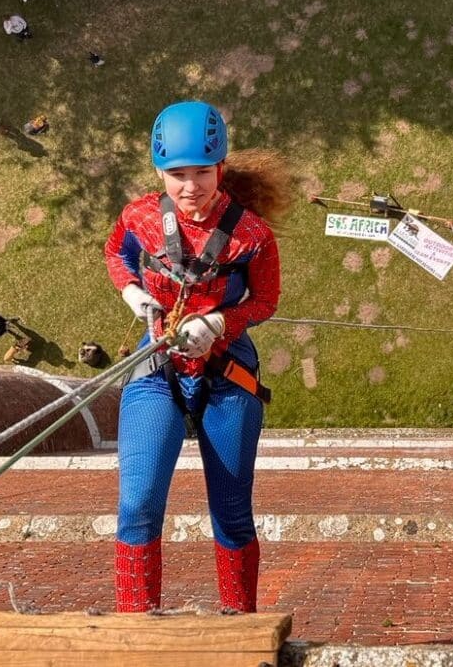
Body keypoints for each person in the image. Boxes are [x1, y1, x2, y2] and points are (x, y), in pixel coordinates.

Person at [105, 100, 289, 614]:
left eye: (202, 173)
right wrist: (131, 291)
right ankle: (135, 628)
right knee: (137, 506)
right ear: (159, 173)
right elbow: (116, 252)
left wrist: (219, 323)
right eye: (177, 175)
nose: (190, 187)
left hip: (226, 372)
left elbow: (265, 300)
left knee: (231, 513)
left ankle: (240, 624)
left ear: (220, 169)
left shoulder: (251, 236)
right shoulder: (140, 217)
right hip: (157, 367)